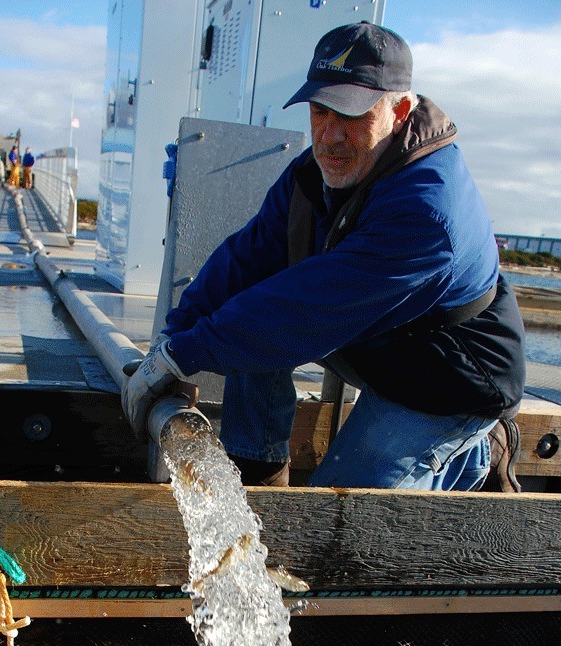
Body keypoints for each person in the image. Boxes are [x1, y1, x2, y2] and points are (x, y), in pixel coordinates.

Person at [123, 22, 526, 491]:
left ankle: (479, 446)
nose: (330, 136)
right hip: (375, 338)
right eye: (320, 111)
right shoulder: (313, 174)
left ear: (399, 111)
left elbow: (304, 311)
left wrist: (183, 355)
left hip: (448, 379)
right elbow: (247, 258)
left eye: (352, 116)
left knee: (344, 517)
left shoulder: (428, 212)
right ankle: (256, 476)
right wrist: (173, 337)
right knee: (252, 311)